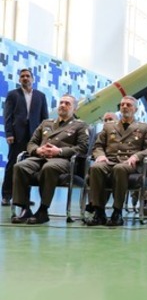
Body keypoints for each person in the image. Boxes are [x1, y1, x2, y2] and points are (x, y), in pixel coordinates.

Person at [11, 94, 89, 224]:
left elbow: (82, 148)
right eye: (61, 102)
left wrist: (59, 151)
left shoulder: (80, 125)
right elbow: (32, 143)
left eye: (67, 103)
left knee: (49, 167)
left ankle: (43, 210)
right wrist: (37, 150)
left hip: (62, 160)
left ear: (75, 109)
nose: (63, 105)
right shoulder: (46, 123)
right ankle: (25, 208)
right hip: (40, 157)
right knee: (20, 166)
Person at [86, 96, 147, 227]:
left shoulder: (144, 127)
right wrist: (100, 155)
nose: (124, 107)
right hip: (110, 160)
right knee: (96, 167)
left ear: (135, 109)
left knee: (120, 168)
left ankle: (117, 212)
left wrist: (136, 156)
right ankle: (99, 212)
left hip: (129, 162)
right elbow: (98, 145)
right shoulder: (109, 126)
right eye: (122, 104)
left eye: (128, 105)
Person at [2, 68, 49, 205]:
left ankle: (24, 198)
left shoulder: (41, 96)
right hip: (17, 135)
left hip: (35, 137)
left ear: (32, 79)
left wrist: (45, 137)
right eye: (22, 76)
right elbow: (7, 116)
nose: (25, 78)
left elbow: (45, 118)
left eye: (28, 76)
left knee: (29, 166)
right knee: (12, 164)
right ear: (19, 79)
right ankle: (6, 195)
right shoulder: (13, 95)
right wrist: (9, 133)